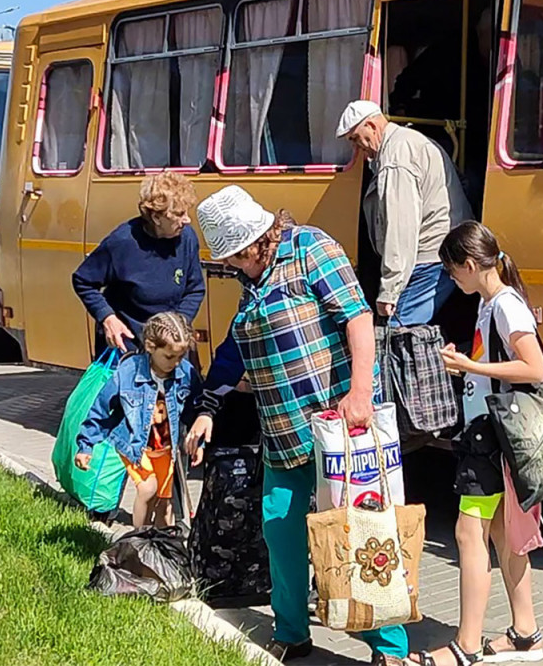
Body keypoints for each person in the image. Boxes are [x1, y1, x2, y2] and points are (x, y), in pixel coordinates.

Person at [184, 185, 408, 666]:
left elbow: (358, 318)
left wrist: (361, 392)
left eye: (236, 257)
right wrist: (207, 410)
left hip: (340, 424)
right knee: (280, 529)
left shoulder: (311, 248)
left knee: (360, 532)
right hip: (283, 435)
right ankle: (292, 631)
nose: (234, 267)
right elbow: (230, 355)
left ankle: (387, 647)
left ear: (256, 240)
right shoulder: (253, 284)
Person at [412, 221, 543, 666]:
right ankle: (525, 634)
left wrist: (473, 366)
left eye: (453, 273)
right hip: (490, 434)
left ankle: (465, 645)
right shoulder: (496, 303)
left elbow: (535, 370)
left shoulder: (506, 306)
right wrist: (468, 366)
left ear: (470, 265)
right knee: (505, 535)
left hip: (490, 437)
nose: (452, 281)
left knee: (469, 534)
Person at [336, 99, 473, 327]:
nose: (356, 147)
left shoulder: (395, 158)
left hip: (428, 258)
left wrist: (389, 290)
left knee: (397, 335)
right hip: (442, 251)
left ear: (371, 125)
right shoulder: (410, 141)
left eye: (355, 138)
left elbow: (400, 229)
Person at [75, 312, 199, 530]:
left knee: (165, 504)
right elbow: (101, 409)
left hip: (166, 448)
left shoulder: (186, 373)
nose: (175, 363)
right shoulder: (128, 372)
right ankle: (139, 539)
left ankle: (163, 549)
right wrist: (86, 446)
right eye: (169, 357)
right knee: (148, 489)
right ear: (151, 347)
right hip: (135, 445)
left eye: (180, 357)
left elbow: (194, 410)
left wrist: (197, 441)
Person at [73, 173, 205, 356]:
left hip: (171, 345)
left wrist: (178, 324)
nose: (187, 220)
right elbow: (83, 280)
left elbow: (195, 288)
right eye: (179, 214)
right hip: (127, 344)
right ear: (156, 218)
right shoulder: (122, 242)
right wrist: (107, 317)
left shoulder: (187, 238)